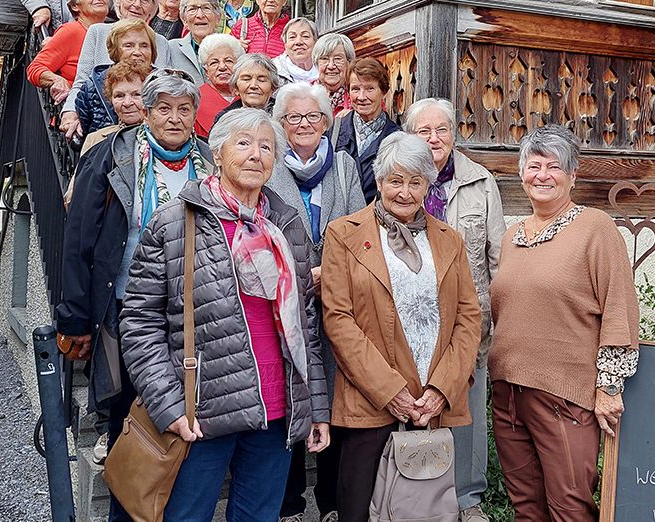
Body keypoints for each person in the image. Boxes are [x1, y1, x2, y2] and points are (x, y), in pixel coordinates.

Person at [118, 107, 331, 521]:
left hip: (276, 407)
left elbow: (306, 322)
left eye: (267, 146)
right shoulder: (175, 223)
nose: (256, 155)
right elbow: (139, 323)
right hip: (200, 409)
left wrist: (316, 408)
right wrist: (169, 406)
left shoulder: (286, 224)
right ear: (218, 153)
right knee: (186, 516)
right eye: (244, 143)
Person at [56, 70, 213, 521]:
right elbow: (80, 237)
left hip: (193, 313)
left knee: (186, 416)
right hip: (128, 310)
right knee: (133, 416)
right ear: (145, 112)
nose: (175, 117)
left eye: (185, 109)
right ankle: (128, 510)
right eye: (163, 108)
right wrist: (75, 317)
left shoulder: (208, 159)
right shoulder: (112, 156)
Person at [321, 131, 480, 522]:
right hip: (370, 402)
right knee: (359, 508)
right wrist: (390, 391)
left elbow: (467, 317)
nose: (405, 192)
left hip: (431, 404)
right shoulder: (344, 235)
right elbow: (339, 320)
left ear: (428, 183)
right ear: (378, 181)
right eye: (395, 180)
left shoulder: (450, 241)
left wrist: (443, 389)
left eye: (415, 181)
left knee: (424, 511)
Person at [489, 124, 640, 522]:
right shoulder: (511, 236)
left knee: (569, 506)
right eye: (533, 165)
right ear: (521, 173)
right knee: (526, 507)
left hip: (564, 396)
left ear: (572, 175)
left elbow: (619, 307)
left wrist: (609, 386)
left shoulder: (594, 227)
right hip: (507, 393)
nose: (542, 175)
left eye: (553, 166)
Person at [402, 98, 506, 522]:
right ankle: (416, 498)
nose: (432, 139)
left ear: (453, 133)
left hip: (467, 320)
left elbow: (498, 260)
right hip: (412, 320)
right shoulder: (400, 178)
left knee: (465, 414)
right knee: (413, 407)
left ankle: (468, 500)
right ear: (410, 134)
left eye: (441, 129)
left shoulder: (480, 182)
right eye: (423, 131)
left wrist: (495, 324)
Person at [268, 82, 365, 522]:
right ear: (281, 123)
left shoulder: (344, 165)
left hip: (337, 301)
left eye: (313, 117)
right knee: (290, 395)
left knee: (335, 397)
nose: (304, 125)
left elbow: (363, 231)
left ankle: (329, 503)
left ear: (327, 122)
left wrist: (334, 270)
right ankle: (288, 505)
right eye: (294, 117)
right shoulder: (268, 164)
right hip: (282, 302)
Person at [59, 0, 171, 140]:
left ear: (154, 8)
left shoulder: (161, 42)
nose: (136, 5)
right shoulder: (98, 31)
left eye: (145, 1)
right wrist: (70, 113)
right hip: (107, 131)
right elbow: (82, 81)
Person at [64, 60, 151, 209]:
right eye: (119, 96)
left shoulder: (161, 137)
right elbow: (73, 196)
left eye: (137, 94)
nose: (127, 102)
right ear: (110, 100)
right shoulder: (96, 139)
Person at [74, 19, 157, 137]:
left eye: (144, 46)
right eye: (129, 46)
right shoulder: (92, 87)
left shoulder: (165, 84)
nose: (137, 52)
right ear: (115, 51)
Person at [334, 57, 399, 204]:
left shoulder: (397, 138)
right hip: (340, 222)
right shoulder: (334, 132)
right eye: (355, 89)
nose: (361, 97)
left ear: (383, 92)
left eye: (370, 88)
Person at [26, 0, 109, 104]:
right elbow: (35, 68)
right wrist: (57, 80)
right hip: (81, 107)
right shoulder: (70, 31)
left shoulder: (113, 33)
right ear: (75, 6)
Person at [195, 33, 244, 139]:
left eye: (228, 61)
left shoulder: (248, 97)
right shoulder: (195, 99)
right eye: (214, 63)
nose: (222, 67)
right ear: (206, 71)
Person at [213, 53, 279, 124]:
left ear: (273, 88)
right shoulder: (224, 120)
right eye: (246, 79)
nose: (253, 85)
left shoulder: (283, 117)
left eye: (261, 80)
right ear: (236, 88)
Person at [169, 0, 222, 84]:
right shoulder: (170, 48)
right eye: (192, 9)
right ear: (184, 20)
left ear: (218, 18)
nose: (200, 15)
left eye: (206, 8)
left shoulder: (231, 48)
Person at [312, 33, 355, 117]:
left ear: (349, 62)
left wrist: (355, 118)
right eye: (324, 59)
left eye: (338, 58)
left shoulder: (359, 94)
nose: (331, 66)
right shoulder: (305, 94)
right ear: (317, 63)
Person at [273, 17, 318, 85]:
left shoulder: (326, 70)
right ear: (285, 44)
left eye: (305, 36)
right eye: (292, 37)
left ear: (315, 41)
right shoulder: (272, 71)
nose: (298, 42)